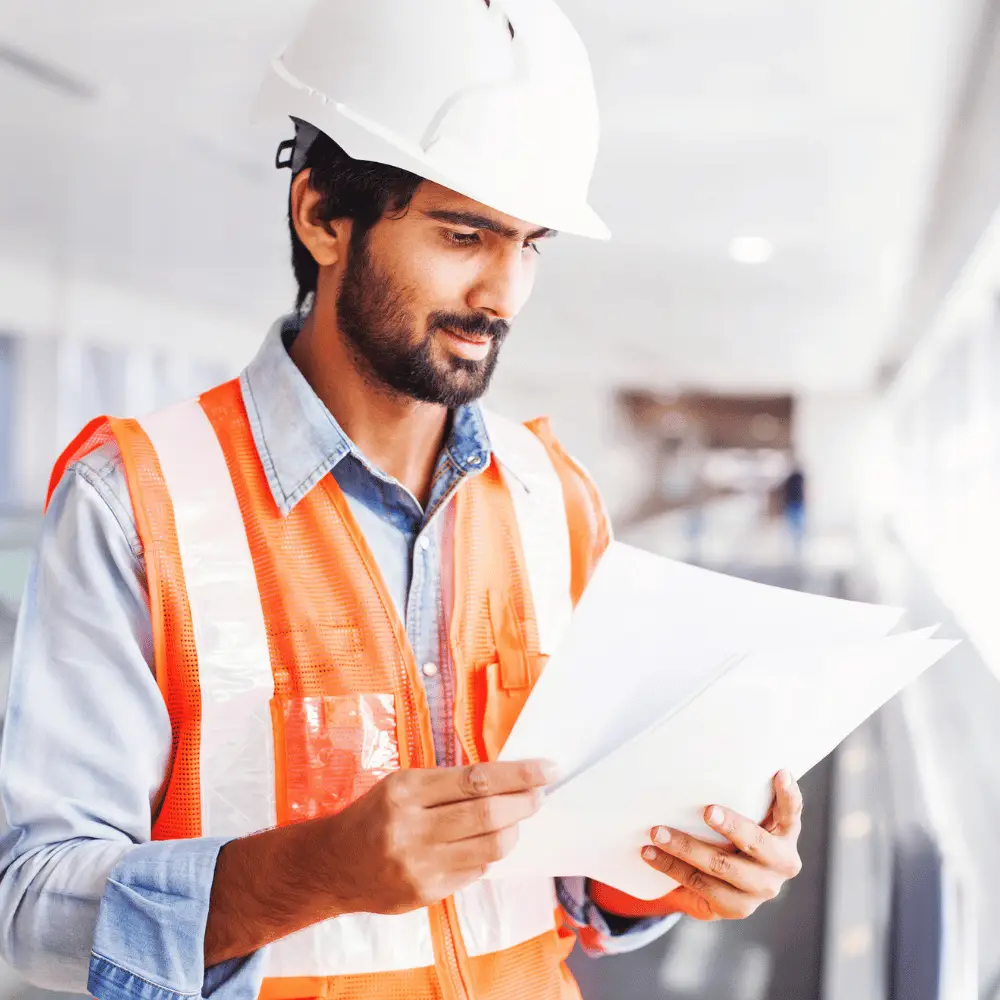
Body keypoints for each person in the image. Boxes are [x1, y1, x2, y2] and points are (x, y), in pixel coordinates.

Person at [0, 2, 805, 998]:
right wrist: (314, 870)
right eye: (464, 233)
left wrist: (680, 868)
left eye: (530, 243)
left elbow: (574, 876)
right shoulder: (135, 502)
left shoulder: (554, 500)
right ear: (322, 216)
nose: (503, 291)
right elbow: (31, 910)